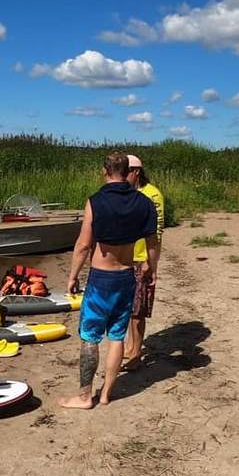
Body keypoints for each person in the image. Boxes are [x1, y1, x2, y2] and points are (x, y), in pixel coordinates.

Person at [60, 152, 158, 409]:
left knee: (90, 337)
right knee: (117, 336)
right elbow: (152, 241)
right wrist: (152, 267)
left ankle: (84, 397)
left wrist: (72, 276)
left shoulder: (95, 201)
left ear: (105, 171)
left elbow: (83, 245)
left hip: (100, 279)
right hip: (127, 276)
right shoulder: (144, 202)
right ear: (127, 172)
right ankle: (105, 394)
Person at [122, 154, 164, 371]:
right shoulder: (125, 193)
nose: (122, 175)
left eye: (125, 171)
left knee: (139, 311)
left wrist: (152, 263)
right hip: (125, 257)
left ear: (136, 172)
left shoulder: (152, 195)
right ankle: (130, 347)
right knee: (128, 308)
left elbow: (156, 232)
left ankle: (136, 354)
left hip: (142, 258)